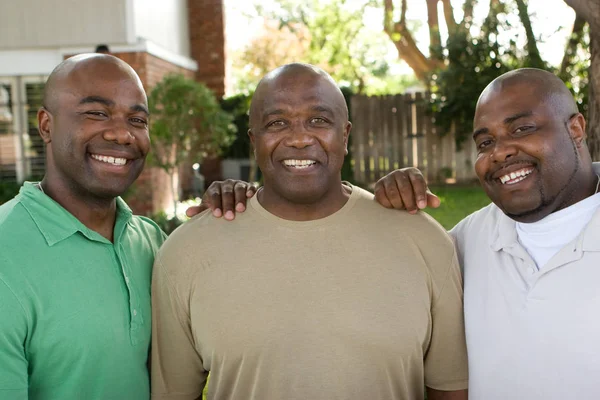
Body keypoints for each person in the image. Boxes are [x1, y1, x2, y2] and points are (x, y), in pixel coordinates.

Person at [198, 68, 600, 399]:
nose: (500, 152)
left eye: (523, 128)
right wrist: (250, 199)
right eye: (486, 142)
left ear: (577, 128)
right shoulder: (462, 244)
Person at [152, 63, 468, 400]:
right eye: (277, 123)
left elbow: (449, 389)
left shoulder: (425, 242)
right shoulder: (186, 253)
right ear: (253, 140)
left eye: (318, 120)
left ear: (345, 135)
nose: (300, 138)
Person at [0, 54, 166, 400]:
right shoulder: (5, 250)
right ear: (46, 125)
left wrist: (234, 212)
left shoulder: (153, 243)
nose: (122, 134)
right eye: (97, 113)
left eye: (137, 119)